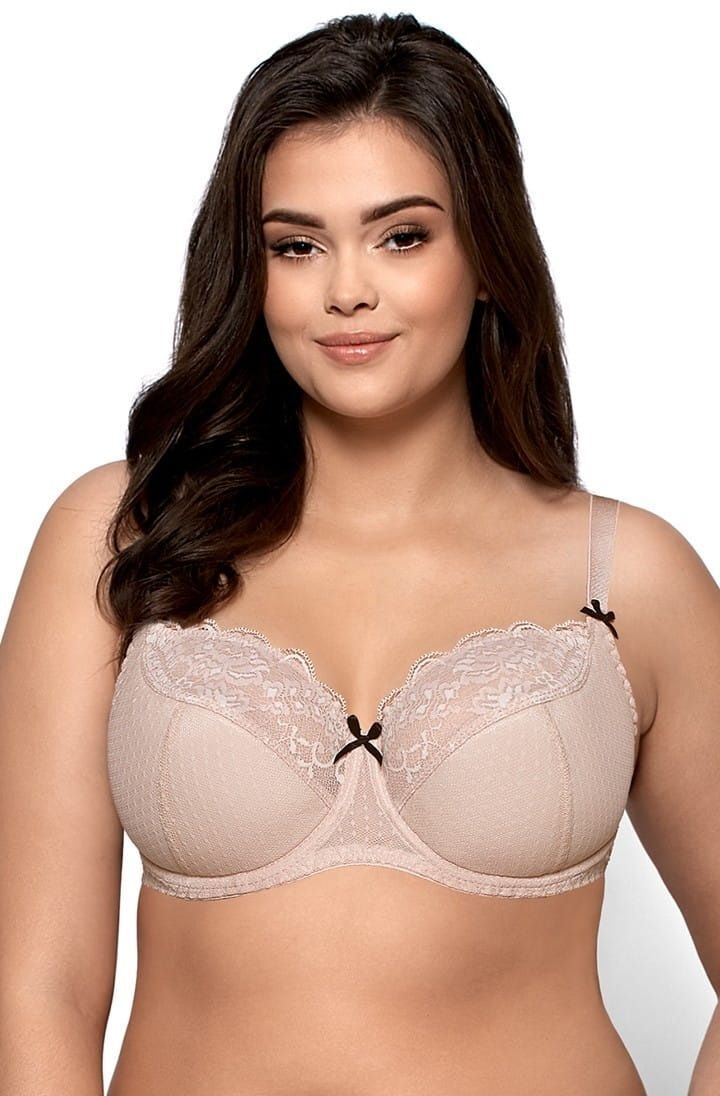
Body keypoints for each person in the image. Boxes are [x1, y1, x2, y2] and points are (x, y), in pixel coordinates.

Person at [1, 12, 718, 1095]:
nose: (347, 289)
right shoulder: (121, 537)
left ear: (488, 254)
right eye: (297, 245)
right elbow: (39, 991)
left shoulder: (629, 578)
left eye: (402, 236)